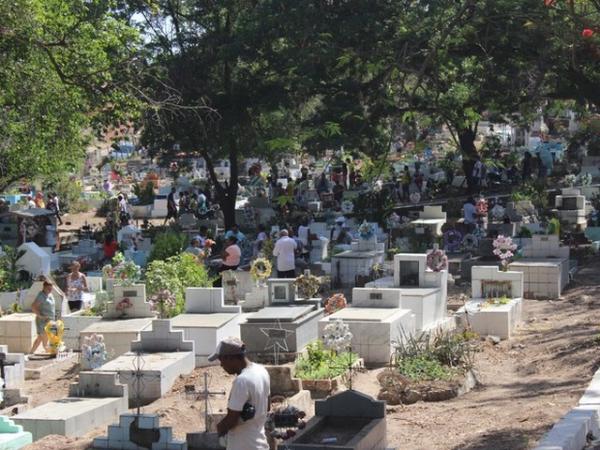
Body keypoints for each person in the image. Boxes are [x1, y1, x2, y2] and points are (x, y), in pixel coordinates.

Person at [212, 337, 270, 450]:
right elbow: (267, 406)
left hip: (244, 445)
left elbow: (231, 420)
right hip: (260, 443)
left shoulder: (241, 381)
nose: (221, 365)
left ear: (230, 358)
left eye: (221, 360)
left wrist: (220, 428)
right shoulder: (261, 371)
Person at [30, 280, 56, 354]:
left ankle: (46, 351)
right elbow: (33, 306)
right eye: (48, 288)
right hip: (43, 321)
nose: (50, 290)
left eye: (51, 288)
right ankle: (32, 352)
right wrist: (40, 316)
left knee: (45, 337)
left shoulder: (50, 294)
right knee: (41, 337)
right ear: (44, 287)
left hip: (50, 320)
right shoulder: (41, 296)